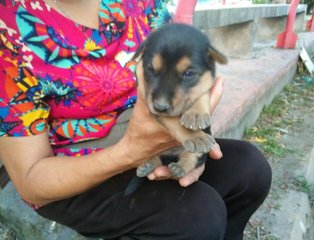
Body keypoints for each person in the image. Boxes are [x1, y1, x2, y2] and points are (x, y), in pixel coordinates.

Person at [0, 0, 272, 239]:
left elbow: (187, 74)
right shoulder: (9, 29)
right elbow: (31, 181)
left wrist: (195, 154)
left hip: (156, 144)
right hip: (73, 171)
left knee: (250, 169)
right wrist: (131, 151)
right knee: (197, 218)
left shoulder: (143, 4)